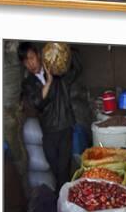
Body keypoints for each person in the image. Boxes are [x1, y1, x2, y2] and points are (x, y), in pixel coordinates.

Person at [18, 41, 82, 191]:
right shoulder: (28, 83)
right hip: (48, 132)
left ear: (39, 55)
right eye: (26, 61)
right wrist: (48, 82)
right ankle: (64, 200)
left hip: (64, 127)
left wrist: (67, 50)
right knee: (54, 168)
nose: (30, 63)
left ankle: (63, 203)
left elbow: (78, 69)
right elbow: (37, 102)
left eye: (31, 58)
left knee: (62, 170)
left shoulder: (60, 75)